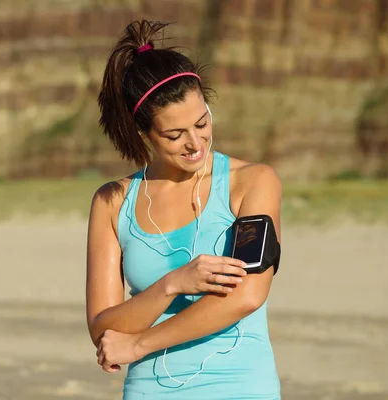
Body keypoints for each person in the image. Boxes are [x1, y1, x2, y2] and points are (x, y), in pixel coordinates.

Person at [86, 20, 282, 399]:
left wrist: (139, 344)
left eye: (202, 122)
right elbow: (103, 327)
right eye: (175, 135)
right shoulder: (113, 202)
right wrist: (173, 284)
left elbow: (247, 296)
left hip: (241, 387)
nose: (195, 143)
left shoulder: (252, 183)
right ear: (142, 134)